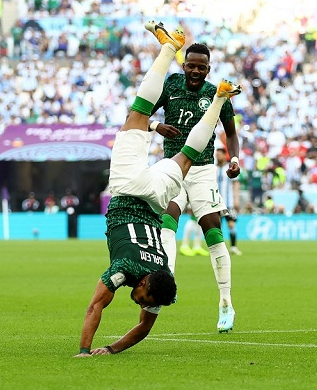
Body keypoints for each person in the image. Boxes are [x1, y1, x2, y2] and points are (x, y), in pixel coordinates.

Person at [76, 21, 241, 357]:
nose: (138, 302)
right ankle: (170, 48)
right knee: (154, 127)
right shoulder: (130, 271)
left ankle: (177, 54)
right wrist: (93, 349)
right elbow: (115, 315)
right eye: (143, 300)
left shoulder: (147, 270)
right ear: (147, 284)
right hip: (145, 189)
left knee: (186, 155)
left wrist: (93, 349)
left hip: (154, 187)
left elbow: (113, 314)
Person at [151, 42, 241, 333]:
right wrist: (156, 127)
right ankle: (169, 284)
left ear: (208, 69)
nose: (196, 71)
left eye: (202, 67)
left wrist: (235, 158)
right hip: (173, 167)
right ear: (184, 64)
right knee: (167, 222)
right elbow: (140, 113)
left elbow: (231, 134)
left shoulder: (217, 95)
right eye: (191, 65)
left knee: (213, 231)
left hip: (203, 170)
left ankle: (226, 302)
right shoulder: (171, 85)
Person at [215, 147, 242, 256]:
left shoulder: (229, 168)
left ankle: (234, 247)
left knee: (231, 224)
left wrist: (236, 199)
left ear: (224, 155)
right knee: (217, 226)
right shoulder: (214, 168)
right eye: (216, 154)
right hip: (216, 203)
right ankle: (219, 249)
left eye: (219, 154)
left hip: (228, 203)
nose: (217, 156)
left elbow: (236, 184)